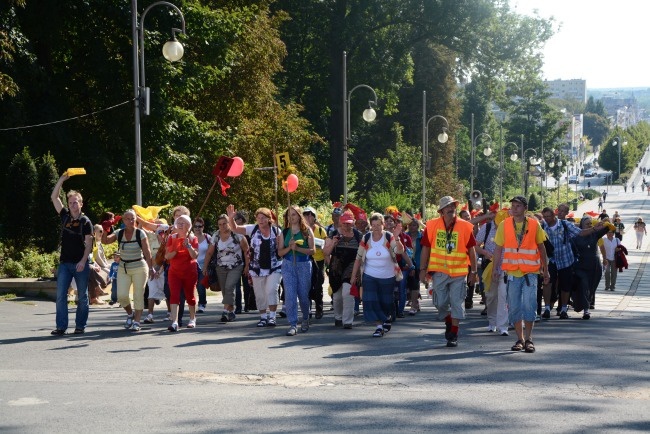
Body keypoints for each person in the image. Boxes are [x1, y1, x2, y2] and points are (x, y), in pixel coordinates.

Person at [491, 196, 549, 353]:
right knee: (514, 306)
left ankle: (529, 339)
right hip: (511, 272)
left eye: (518, 206)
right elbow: (498, 248)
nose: (514, 208)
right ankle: (519, 339)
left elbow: (541, 247)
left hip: (530, 272)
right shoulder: (505, 224)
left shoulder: (533, 224)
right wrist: (495, 269)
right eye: (513, 206)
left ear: (525, 208)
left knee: (529, 305)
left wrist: (546, 269)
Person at [419, 196, 478, 348]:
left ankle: (453, 334)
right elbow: (425, 248)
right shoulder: (432, 226)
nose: (451, 208)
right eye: (448, 206)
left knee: (457, 302)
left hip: (459, 272)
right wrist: (422, 269)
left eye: (453, 206)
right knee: (440, 303)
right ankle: (448, 320)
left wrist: (474, 271)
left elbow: (471, 250)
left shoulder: (465, 226)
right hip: (439, 271)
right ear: (441, 211)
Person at [50, 174, 94, 335]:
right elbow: (54, 197)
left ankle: (80, 326)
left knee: (82, 297)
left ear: (81, 203)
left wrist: (83, 261)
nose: (73, 205)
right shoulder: (65, 216)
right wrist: (61, 180)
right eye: (70, 202)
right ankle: (61, 326)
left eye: (76, 202)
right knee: (61, 296)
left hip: (80, 263)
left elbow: (89, 243)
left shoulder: (86, 221)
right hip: (65, 263)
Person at [228, 204, 284, 328]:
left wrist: (282, 246)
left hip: (274, 267)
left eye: (263, 217)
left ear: (269, 219)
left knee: (271, 290)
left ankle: (272, 316)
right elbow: (235, 228)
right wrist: (231, 218)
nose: (261, 220)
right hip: (256, 268)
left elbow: (281, 250)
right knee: (259, 294)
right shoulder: (252, 229)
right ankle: (263, 317)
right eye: (258, 218)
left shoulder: (276, 231)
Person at [350, 213, 404, 337]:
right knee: (371, 301)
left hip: (387, 276)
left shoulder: (388, 236)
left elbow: (399, 251)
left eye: (378, 225)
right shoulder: (366, 238)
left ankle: (387, 318)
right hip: (369, 275)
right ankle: (379, 326)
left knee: (386, 302)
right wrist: (354, 275)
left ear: (383, 225)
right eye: (373, 225)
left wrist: (396, 238)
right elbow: (358, 258)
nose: (376, 227)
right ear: (371, 225)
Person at [540, 204, 598, 320]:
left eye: (548, 216)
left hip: (566, 260)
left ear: (553, 215)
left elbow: (580, 233)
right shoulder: (542, 226)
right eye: (544, 216)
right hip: (551, 259)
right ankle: (546, 308)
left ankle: (563, 309)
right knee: (547, 283)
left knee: (565, 286)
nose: (546, 219)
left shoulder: (564, 224)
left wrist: (594, 229)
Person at [101, 209, 155, 332]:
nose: (131, 221)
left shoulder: (140, 233)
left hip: (139, 267)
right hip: (123, 267)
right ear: (124, 220)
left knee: (138, 295)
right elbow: (105, 241)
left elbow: (147, 252)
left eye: (133, 219)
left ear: (136, 220)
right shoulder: (119, 233)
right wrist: (106, 229)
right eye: (128, 219)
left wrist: (151, 268)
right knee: (122, 296)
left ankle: (137, 321)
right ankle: (130, 314)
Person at [203, 214, 249, 323]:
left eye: (224, 224)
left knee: (229, 287)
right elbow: (209, 252)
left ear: (229, 223)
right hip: (221, 266)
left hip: (236, 266)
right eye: (220, 224)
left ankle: (225, 311)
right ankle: (231, 311)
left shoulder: (237, 234)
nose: (222, 226)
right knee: (225, 290)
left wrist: (247, 265)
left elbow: (246, 250)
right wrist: (204, 266)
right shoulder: (216, 235)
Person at [278, 206, 315, 336]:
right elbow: (280, 252)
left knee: (303, 295)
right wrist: (289, 247)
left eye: (294, 214)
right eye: (289, 215)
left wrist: (298, 249)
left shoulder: (307, 231)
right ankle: (293, 323)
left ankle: (305, 317)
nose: (291, 217)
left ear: (299, 216)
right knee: (290, 294)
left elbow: (313, 251)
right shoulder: (285, 232)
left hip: (304, 264)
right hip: (288, 265)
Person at [323, 210, 362, 329]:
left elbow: (363, 253)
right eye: (344, 223)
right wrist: (333, 243)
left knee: (347, 293)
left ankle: (348, 321)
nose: (347, 226)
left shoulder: (358, 236)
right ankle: (338, 317)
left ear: (353, 223)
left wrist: (360, 271)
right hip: (336, 268)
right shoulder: (333, 234)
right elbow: (325, 252)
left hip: (351, 267)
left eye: (349, 223)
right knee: (337, 296)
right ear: (340, 222)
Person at [475, 211, 509, 336]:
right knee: (491, 296)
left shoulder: (511, 228)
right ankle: (492, 322)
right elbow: (476, 245)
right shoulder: (487, 227)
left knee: (503, 296)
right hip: (489, 267)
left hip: (506, 268)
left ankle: (503, 326)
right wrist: (485, 253)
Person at [164, 214, 199, 331]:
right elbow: (167, 256)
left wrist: (188, 246)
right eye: (178, 222)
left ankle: (192, 319)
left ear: (189, 225)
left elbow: (195, 255)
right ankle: (174, 322)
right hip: (174, 272)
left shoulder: (193, 238)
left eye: (182, 223)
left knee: (190, 295)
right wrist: (176, 249)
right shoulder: (171, 238)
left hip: (189, 271)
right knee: (174, 295)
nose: (179, 225)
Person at [572, 217, 609, 319]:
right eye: (587, 223)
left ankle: (584, 306)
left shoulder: (595, 234)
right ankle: (586, 310)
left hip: (594, 265)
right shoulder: (576, 236)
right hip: (581, 266)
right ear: (582, 225)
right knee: (584, 285)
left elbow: (607, 228)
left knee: (591, 287)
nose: (589, 225)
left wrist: (605, 223)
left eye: (590, 223)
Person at [384, 213, 414, 319]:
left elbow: (404, 251)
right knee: (389, 290)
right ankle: (390, 311)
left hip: (400, 266)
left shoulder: (400, 235)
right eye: (386, 221)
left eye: (391, 221)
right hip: (385, 267)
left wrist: (411, 265)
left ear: (394, 223)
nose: (389, 223)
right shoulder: (380, 234)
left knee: (401, 289)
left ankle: (400, 310)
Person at [303, 206, 327, 319]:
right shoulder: (301, 230)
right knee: (307, 286)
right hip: (306, 261)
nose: (308, 217)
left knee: (318, 286)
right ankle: (308, 310)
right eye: (305, 215)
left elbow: (326, 245)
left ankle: (319, 308)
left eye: (310, 215)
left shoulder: (321, 230)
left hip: (319, 260)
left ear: (314, 217)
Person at [193, 217, 211, 313]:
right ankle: (192, 303)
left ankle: (202, 304)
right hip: (192, 264)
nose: (197, 228)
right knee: (191, 286)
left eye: (199, 226)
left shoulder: (208, 238)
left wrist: (207, 266)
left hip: (204, 264)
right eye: (195, 226)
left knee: (201, 285)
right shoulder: (190, 238)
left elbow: (212, 251)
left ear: (203, 227)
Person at [89, 224, 110, 305]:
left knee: (112, 272)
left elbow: (101, 257)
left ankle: (96, 296)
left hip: (95, 265)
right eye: (100, 231)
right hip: (92, 265)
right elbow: (95, 257)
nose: (102, 233)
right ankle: (96, 295)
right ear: (94, 232)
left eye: (103, 231)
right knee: (107, 273)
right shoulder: (92, 242)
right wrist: (105, 266)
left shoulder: (98, 243)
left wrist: (106, 265)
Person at [406, 218, 423, 315]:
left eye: (414, 225)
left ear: (418, 226)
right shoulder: (405, 236)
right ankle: (415, 301)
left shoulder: (421, 237)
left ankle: (413, 305)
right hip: (406, 263)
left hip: (418, 263)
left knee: (415, 283)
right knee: (408, 285)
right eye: (410, 225)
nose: (412, 227)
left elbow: (425, 250)